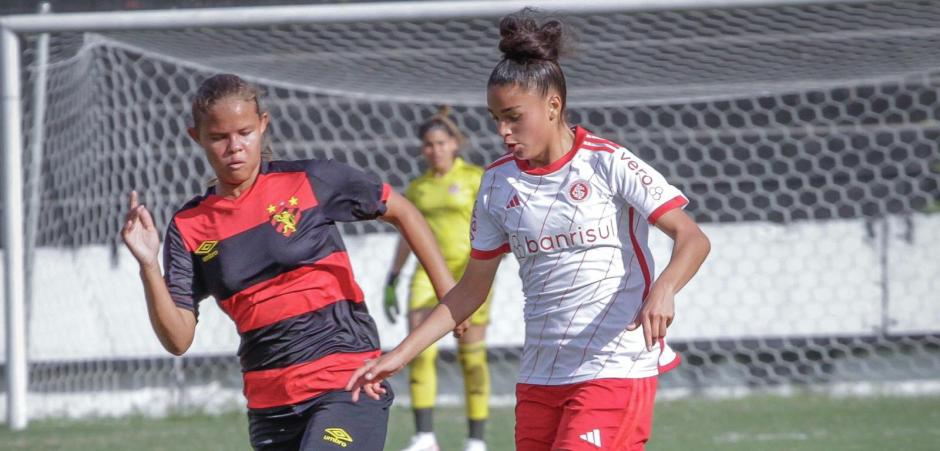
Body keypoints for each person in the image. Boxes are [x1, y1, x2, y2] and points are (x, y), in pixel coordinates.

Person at [347, 10, 711, 451]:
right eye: (495, 118)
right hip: (540, 374)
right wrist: (399, 355)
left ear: (553, 106)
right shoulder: (498, 183)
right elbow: (470, 290)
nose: (503, 131)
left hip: (615, 366)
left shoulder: (607, 161)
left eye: (514, 117)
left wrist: (664, 288)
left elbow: (692, 238)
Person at [120, 73, 456, 451]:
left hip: (346, 383)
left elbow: (403, 211)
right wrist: (148, 264)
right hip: (270, 405)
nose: (234, 147)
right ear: (196, 137)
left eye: (244, 132)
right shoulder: (188, 226)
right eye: (219, 137)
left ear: (263, 125)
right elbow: (178, 339)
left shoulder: (310, 181)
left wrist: (451, 299)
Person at [383, 107, 492, 451]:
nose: (435, 150)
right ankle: (425, 436)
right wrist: (393, 277)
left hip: (468, 276)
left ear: (455, 144)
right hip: (426, 277)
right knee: (421, 353)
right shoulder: (418, 188)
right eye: (428, 145)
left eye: (441, 143)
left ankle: (475, 441)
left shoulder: (476, 178)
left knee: (471, 357)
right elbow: (407, 235)